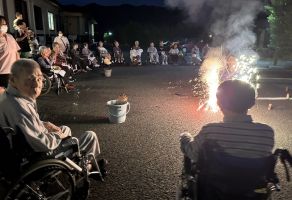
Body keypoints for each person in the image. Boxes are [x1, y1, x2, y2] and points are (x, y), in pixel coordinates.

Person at [0, 59, 104, 172]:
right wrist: (59, 136)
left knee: (65, 129)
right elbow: (41, 143)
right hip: (34, 158)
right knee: (90, 136)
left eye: (39, 78)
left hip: (22, 149)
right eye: (30, 79)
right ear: (13, 80)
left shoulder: (9, 96)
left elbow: (26, 125)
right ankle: (86, 166)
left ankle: (77, 160)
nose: (37, 84)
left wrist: (44, 124)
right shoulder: (19, 106)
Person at [180, 80, 275, 198]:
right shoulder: (267, 132)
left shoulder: (211, 130)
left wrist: (185, 137)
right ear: (252, 103)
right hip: (249, 188)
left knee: (192, 150)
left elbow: (192, 153)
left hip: (214, 188)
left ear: (219, 103)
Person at [0, 15, 20, 94]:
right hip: (2, 73)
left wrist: (19, 67)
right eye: (2, 24)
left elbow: (16, 52)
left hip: (13, 71)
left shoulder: (10, 36)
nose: (5, 26)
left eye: (5, 24)